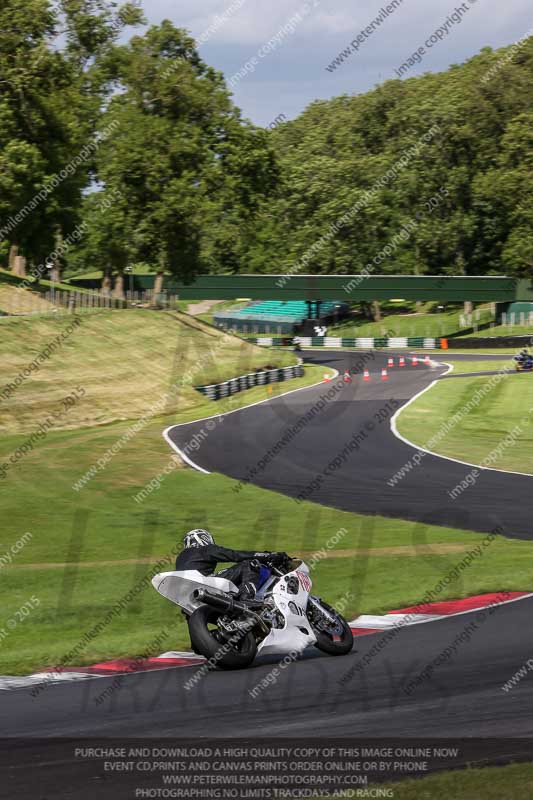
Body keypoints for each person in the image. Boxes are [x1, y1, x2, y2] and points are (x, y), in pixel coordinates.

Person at [175, 529, 288, 600]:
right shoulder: (205, 549)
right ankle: (247, 599)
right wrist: (267, 555)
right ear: (203, 538)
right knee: (249, 564)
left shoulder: (180, 557)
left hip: (187, 594)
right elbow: (235, 555)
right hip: (204, 583)